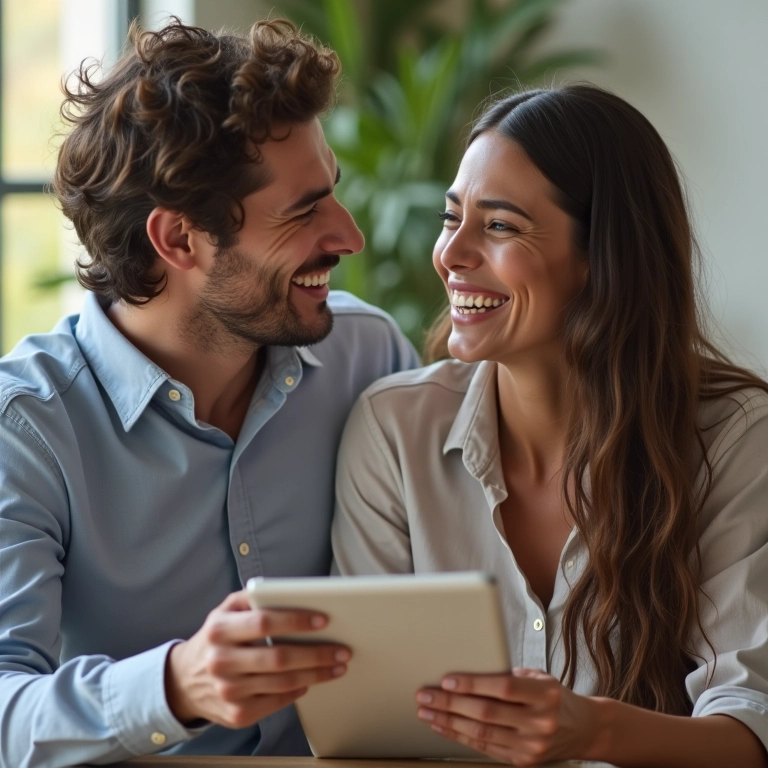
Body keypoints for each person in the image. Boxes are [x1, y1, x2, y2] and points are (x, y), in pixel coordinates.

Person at [0, 17, 418, 768]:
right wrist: (174, 685)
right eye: (303, 210)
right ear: (179, 240)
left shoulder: (372, 355)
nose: (350, 236)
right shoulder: (25, 427)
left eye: (335, 194)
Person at [333, 84, 768, 768]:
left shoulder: (735, 436)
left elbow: (749, 726)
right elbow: (366, 726)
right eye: (453, 218)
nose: (451, 254)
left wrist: (592, 731)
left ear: (603, 258)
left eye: (500, 226)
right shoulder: (393, 432)